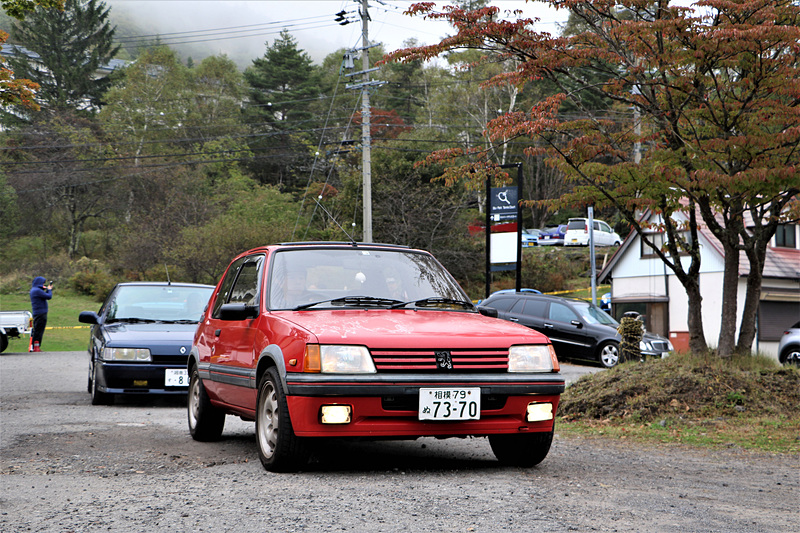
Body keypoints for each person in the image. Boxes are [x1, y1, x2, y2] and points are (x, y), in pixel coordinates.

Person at [29, 276, 53, 352]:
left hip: (37, 313)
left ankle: (34, 346)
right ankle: (36, 346)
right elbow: (49, 296)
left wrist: (44, 289)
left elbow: (43, 296)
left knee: (37, 330)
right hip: (41, 313)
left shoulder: (35, 290)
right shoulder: (37, 291)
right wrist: (49, 290)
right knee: (39, 330)